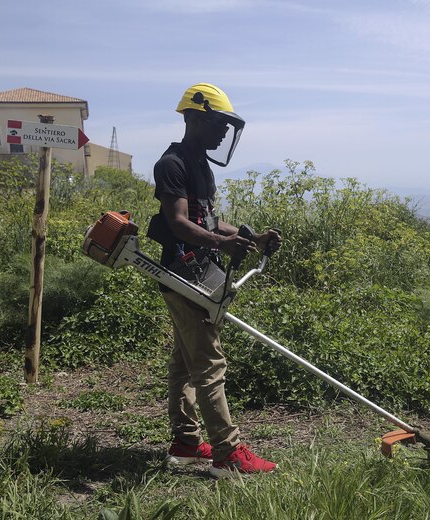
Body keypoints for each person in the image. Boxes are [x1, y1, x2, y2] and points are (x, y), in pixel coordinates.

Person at [153, 82, 281, 477]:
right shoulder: (172, 163)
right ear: (195, 116)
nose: (224, 132)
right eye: (219, 123)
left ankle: (187, 443)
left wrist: (249, 238)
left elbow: (205, 218)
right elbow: (177, 223)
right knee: (209, 364)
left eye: (228, 126)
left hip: (194, 272)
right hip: (182, 275)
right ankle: (228, 454)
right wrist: (222, 245)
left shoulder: (200, 163)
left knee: (183, 361)